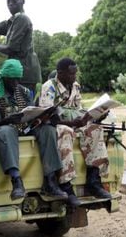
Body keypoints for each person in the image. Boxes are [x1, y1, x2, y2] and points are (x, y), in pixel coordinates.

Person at [0, 59, 67, 200]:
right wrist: (9, 120)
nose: (16, 83)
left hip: (26, 127)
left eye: (18, 79)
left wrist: (43, 115)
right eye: (12, 80)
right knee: (5, 131)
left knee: (48, 130)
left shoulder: (23, 92)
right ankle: (16, 181)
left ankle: (50, 180)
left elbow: (31, 110)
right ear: (4, 78)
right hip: (8, 129)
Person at [39, 58, 111, 204]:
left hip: (74, 122)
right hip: (56, 125)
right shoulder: (49, 87)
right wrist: (72, 123)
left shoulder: (75, 86)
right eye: (71, 74)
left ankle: (94, 181)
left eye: (75, 74)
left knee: (95, 130)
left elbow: (78, 110)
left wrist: (95, 115)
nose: (74, 77)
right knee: (66, 132)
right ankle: (66, 185)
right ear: (60, 73)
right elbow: (46, 117)